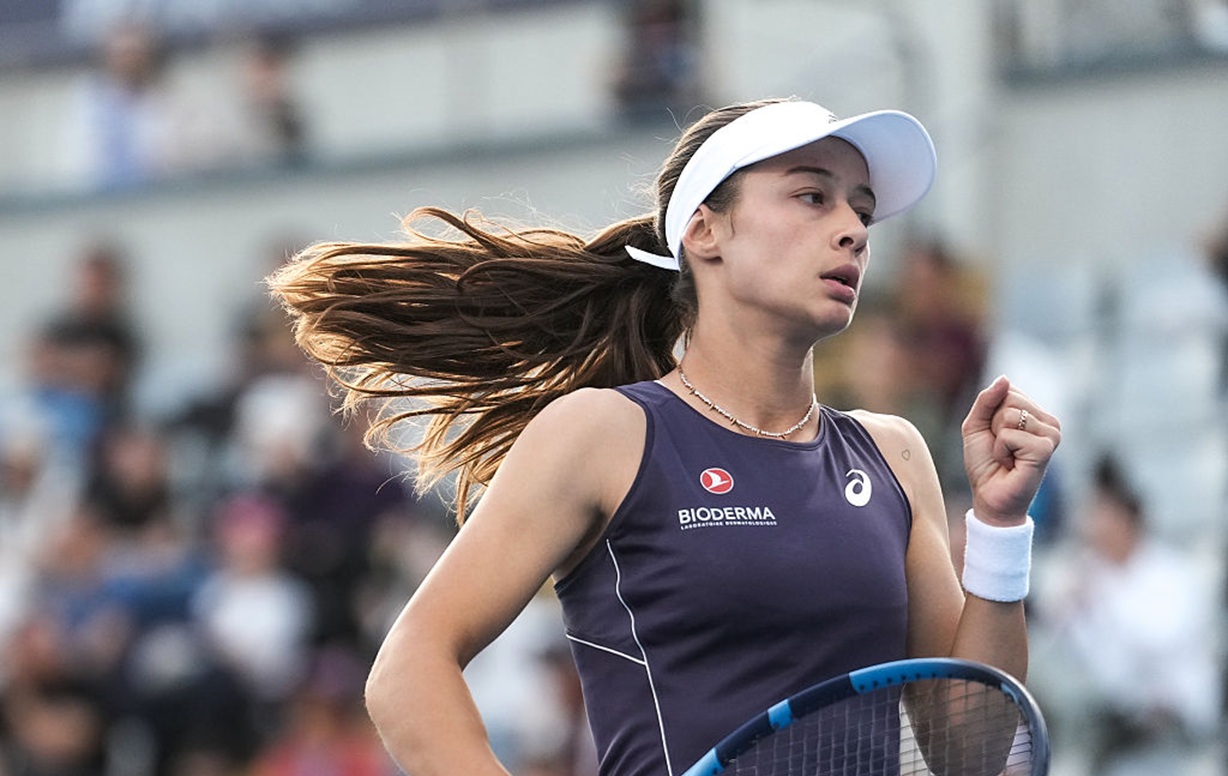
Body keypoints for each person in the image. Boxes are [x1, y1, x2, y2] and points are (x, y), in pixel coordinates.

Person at [266, 97, 1061, 776]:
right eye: (813, 197)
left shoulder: (894, 454)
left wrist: (997, 525)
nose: (853, 228)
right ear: (707, 232)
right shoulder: (605, 433)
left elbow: (972, 755)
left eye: (860, 206)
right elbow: (408, 669)